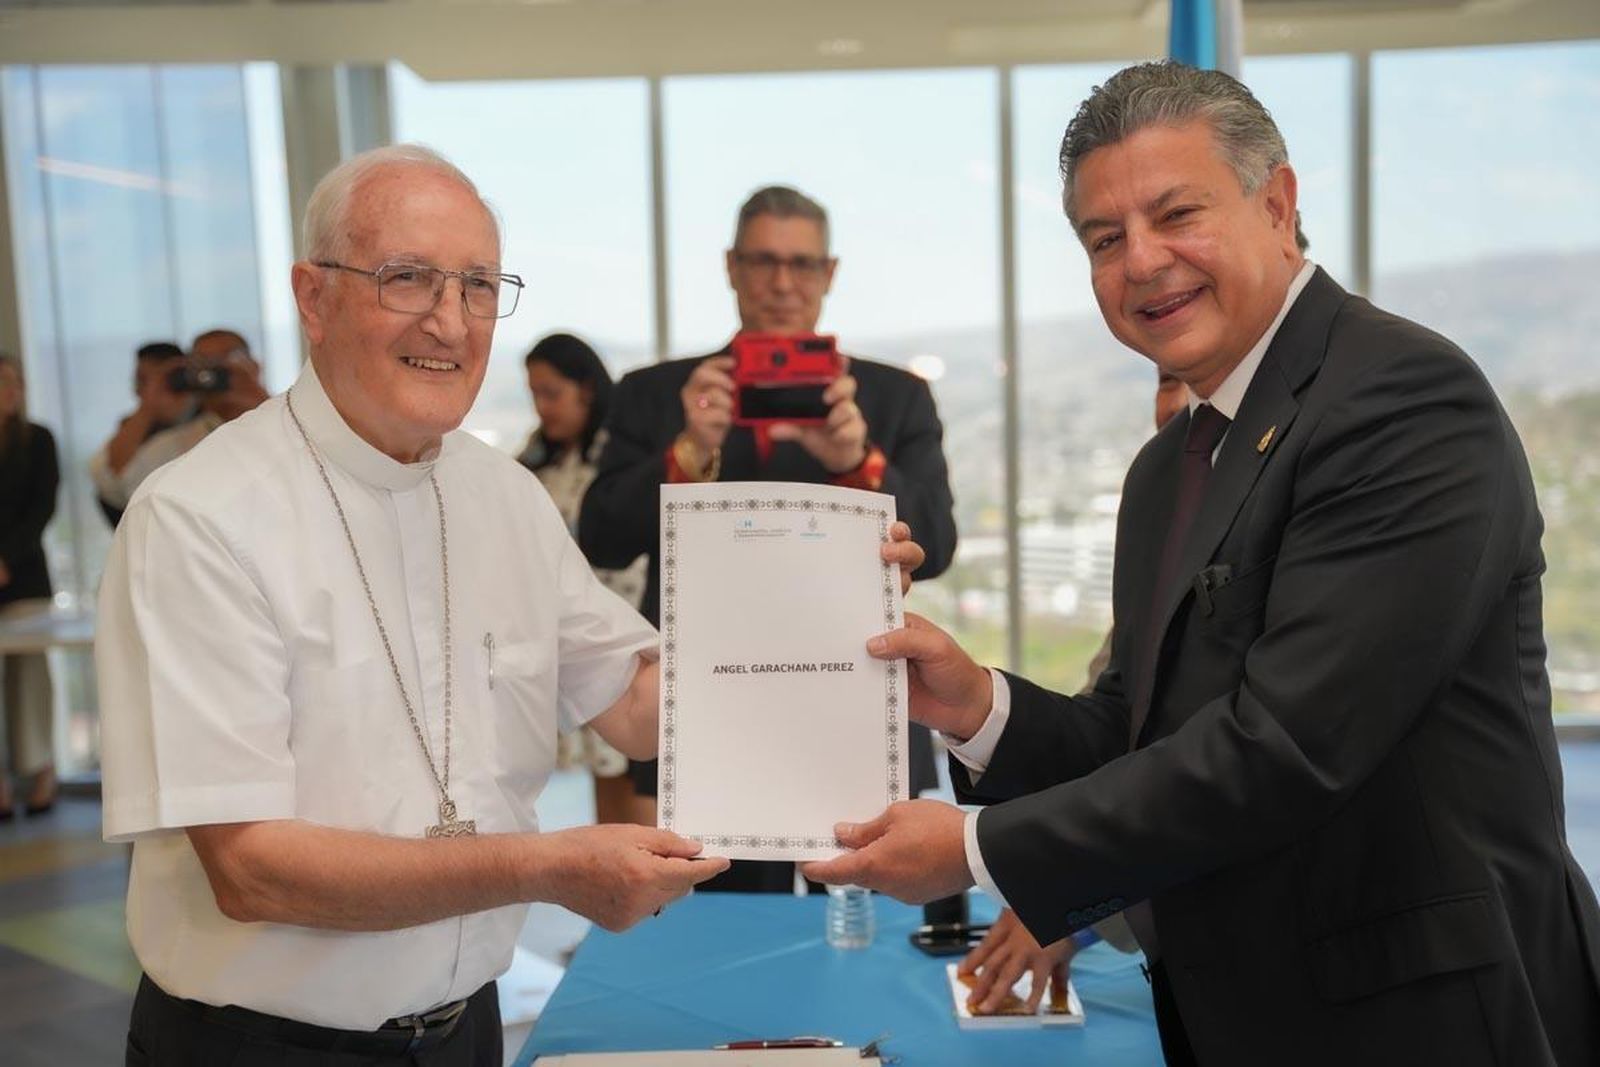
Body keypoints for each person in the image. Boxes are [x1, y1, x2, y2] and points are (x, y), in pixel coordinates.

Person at [806, 61, 1600, 1067]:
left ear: (1277, 204)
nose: (1140, 261)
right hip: (1245, 1012)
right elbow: (1136, 730)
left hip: (1416, 1017)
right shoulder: (1167, 467)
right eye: (1103, 239)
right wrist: (974, 702)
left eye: (1175, 213)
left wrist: (972, 849)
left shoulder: (1401, 399)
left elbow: (1282, 747)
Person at [96, 145, 737, 1066]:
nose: (450, 321)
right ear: (312, 298)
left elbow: (637, 706)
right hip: (260, 1048)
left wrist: (818, 616)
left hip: (463, 1031)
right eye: (408, 279)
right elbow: (251, 869)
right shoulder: (199, 517)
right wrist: (548, 866)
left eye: (478, 285)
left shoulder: (504, 495)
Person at [579, 184, 958, 887]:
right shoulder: (659, 393)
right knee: (697, 936)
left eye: (803, 264)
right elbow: (598, 535)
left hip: (856, 709)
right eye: (762, 261)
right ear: (730, 266)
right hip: (699, 717)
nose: (783, 283)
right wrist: (687, 450)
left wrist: (857, 461)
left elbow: (936, 540)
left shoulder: (891, 397)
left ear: (830, 273)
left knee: (861, 940)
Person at [958, 370, 1184, 1017]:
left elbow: (1229, 766)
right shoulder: (1166, 517)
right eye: (1167, 380)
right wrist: (975, 704)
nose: (1174, 404)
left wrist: (1071, 905)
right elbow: (1111, 735)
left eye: (1198, 383)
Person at [518, 331, 647, 825]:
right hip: (569, 640)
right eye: (534, 395)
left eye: (552, 394)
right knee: (601, 776)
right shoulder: (534, 459)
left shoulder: (618, 460)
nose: (542, 408)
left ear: (586, 390)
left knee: (634, 776)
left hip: (620, 628)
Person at [91, 329, 269, 516]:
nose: (213, 373)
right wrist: (150, 404)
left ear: (255, 366)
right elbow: (117, 485)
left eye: (227, 360)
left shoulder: (288, 419)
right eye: (202, 363)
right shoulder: (177, 445)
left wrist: (258, 398)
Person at [0, 352, 59, 818]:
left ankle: (40, 771)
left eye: (13, 382)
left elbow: (41, 508)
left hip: (24, 576)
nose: (9, 391)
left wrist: (6, 559)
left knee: (29, 677)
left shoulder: (38, 440)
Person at [89, 341, 192, 527]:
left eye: (147, 380)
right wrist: (148, 407)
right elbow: (113, 469)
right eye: (141, 381)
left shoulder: (207, 420)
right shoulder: (136, 422)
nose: (141, 389)